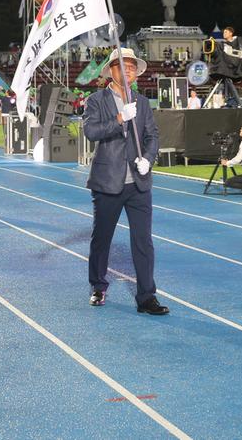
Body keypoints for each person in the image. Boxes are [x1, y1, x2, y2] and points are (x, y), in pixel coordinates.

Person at [83, 47, 167, 316]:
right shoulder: (96, 100)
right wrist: (119, 119)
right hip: (108, 182)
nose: (128, 69)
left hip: (139, 183)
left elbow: (152, 135)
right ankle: (98, 285)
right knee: (102, 239)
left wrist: (149, 158)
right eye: (123, 65)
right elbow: (91, 132)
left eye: (132, 66)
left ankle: (146, 297)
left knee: (143, 241)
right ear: (112, 71)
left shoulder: (142, 102)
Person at [210, 26, 242, 108]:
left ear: (231, 33)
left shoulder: (237, 42)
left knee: (227, 80)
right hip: (226, 69)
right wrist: (214, 43)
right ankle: (228, 101)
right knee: (226, 80)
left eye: (226, 32)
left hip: (234, 68)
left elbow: (237, 55)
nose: (224, 34)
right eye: (223, 32)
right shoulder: (224, 44)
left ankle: (238, 102)